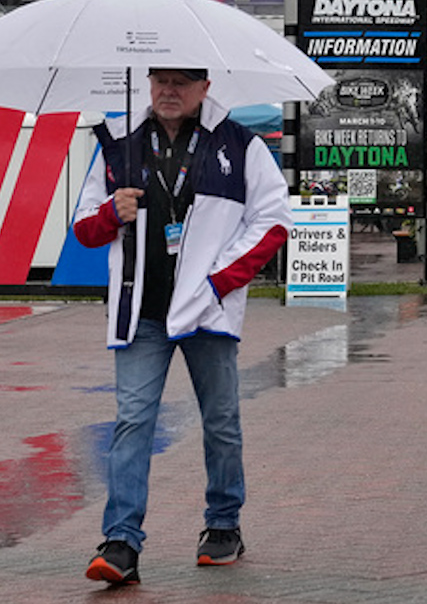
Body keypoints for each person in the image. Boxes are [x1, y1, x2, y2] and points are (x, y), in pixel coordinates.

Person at [72, 67, 291, 585]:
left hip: (206, 312)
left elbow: (275, 220)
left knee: (220, 422)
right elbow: (83, 228)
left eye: (183, 82)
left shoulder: (240, 145)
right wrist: (111, 212)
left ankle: (223, 524)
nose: (170, 91)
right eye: (161, 80)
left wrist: (217, 284)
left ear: (205, 88)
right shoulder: (118, 144)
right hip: (141, 312)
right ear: (147, 83)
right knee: (131, 424)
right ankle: (121, 541)